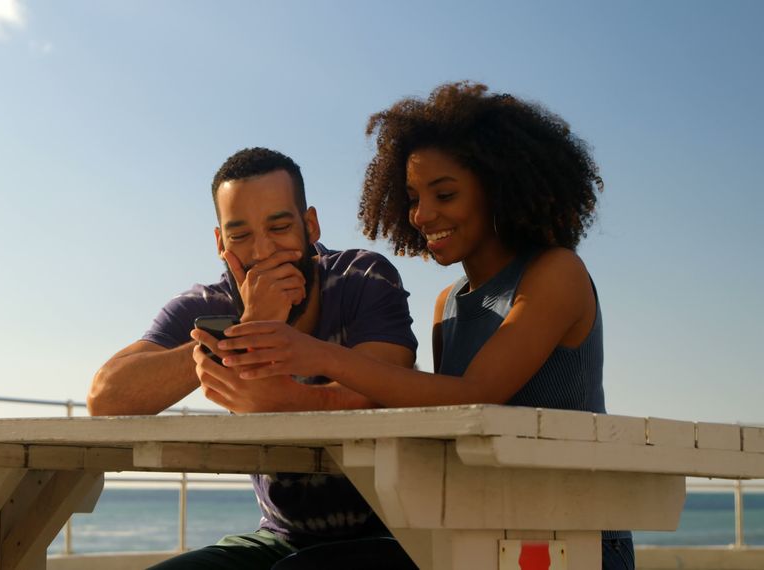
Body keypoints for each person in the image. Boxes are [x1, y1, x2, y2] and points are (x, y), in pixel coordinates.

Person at [204, 83, 635, 569]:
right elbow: (434, 412)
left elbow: (476, 394)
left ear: (499, 187)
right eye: (411, 197)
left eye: (444, 194)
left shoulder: (556, 273)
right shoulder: (447, 304)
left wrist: (315, 355)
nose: (423, 215)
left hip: (571, 543)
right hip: (478, 536)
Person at [88, 147, 421, 568]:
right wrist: (242, 328)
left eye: (279, 227)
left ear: (310, 225)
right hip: (280, 536)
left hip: (397, 532)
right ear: (219, 241)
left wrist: (277, 391)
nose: (262, 252)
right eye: (240, 235)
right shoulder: (206, 304)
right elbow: (106, 397)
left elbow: (385, 388)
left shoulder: (364, 278)